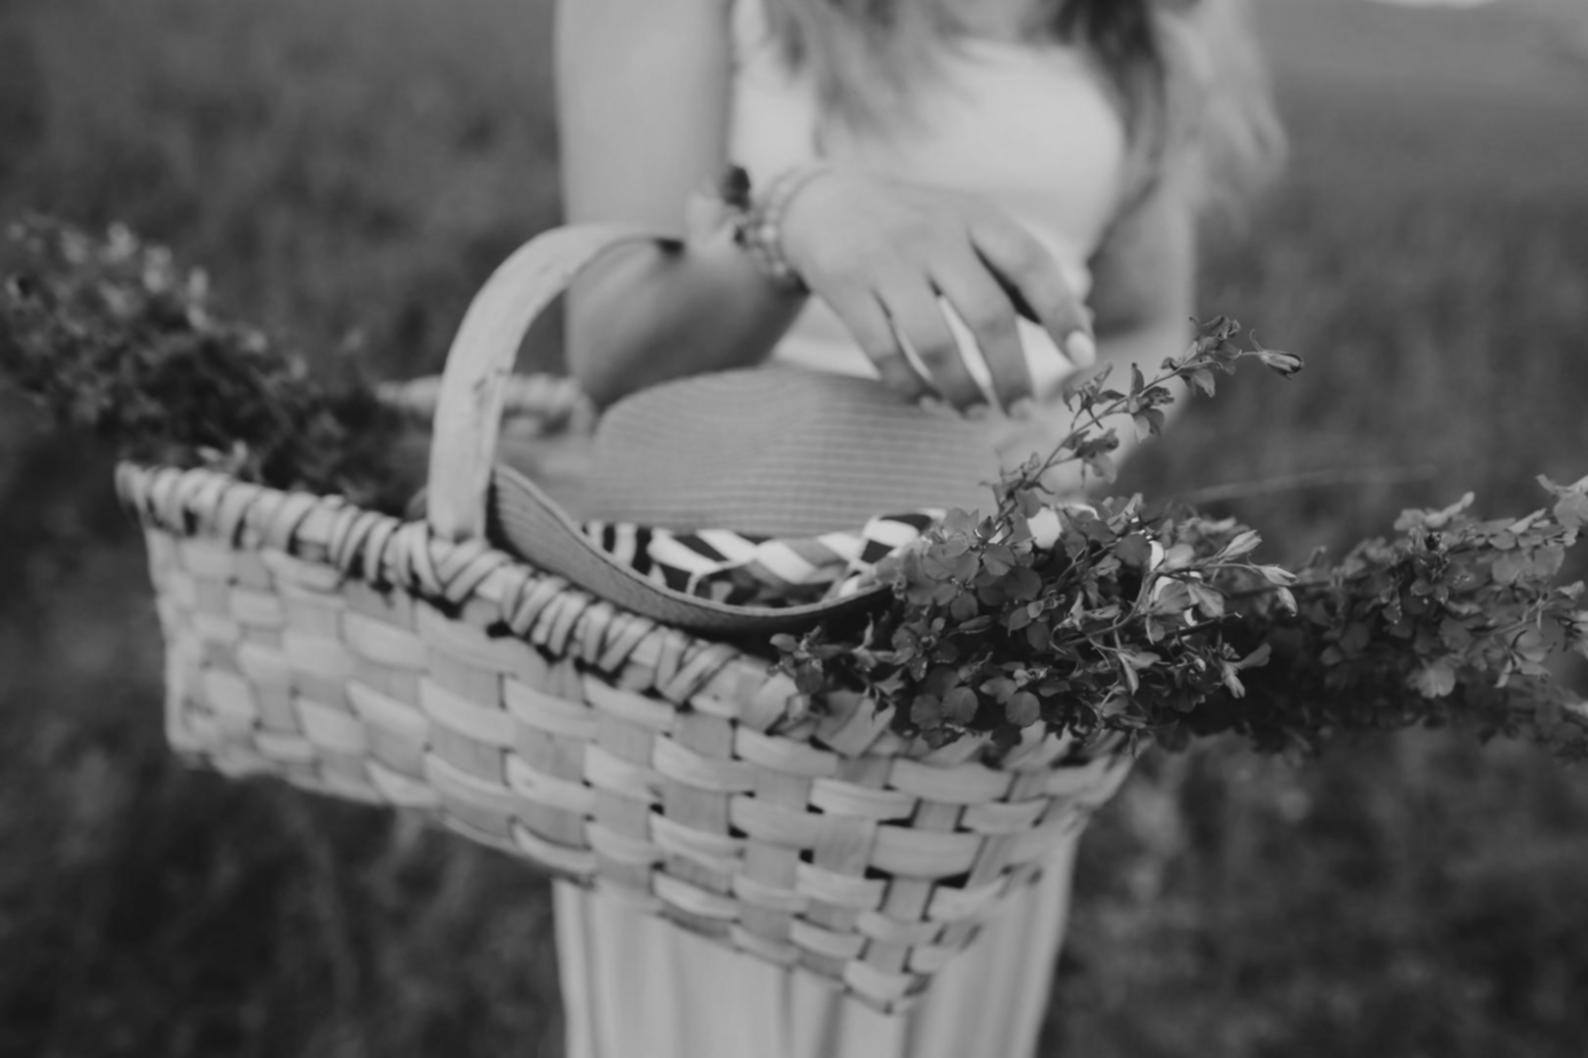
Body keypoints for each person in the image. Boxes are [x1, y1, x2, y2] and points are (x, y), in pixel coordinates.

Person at [549, 1, 1282, 1055]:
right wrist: (793, 223)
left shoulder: (1145, 24)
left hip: (987, 672)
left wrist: (1072, 446)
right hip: (709, 645)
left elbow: (1137, 320)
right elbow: (611, 349)